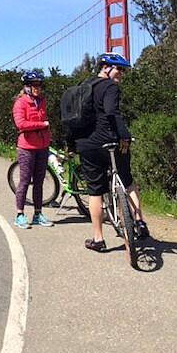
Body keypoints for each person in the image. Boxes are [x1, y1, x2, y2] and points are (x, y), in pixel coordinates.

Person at [65, 52, 149, 252]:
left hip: (86, 145)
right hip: (109, 141)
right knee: (127, 180)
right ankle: (138, 220)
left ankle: (98, 240)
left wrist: (70, 144)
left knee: (95, 191)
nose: (122, 73)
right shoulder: (110, 86)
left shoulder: (82, 87)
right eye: (118, 68)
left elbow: (71, 119)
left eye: (123, 70)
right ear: (105, 67)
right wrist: (125, 136)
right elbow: (112, 112)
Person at [11, 71, 54, 229]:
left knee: (39, 181)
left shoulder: (41, 102)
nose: (38, 88)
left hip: (42, 146)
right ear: (27, 86)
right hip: (26, 147)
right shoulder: (20, 103)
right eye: (34, 85)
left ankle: (38, 213)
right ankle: (19, 215)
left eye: (39, 85)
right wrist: (42, 125)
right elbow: (21, 124)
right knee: (24, 181)